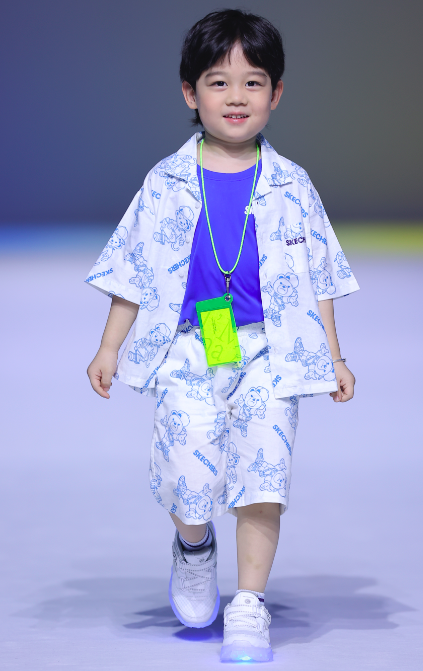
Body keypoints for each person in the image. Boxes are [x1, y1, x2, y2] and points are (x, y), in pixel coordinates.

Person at [86, 9, 359, 663]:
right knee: (188, 471)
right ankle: (194, 544)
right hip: (190, 344)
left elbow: (318, 275)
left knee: (264, 474)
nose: (236, 96)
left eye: (253, 81)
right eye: (218, 81)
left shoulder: (293, 184)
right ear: (190, 92)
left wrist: (335, 354)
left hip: (271, 347)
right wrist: (109, 345)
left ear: (276, 93)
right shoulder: (165, 182)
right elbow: (135, 269)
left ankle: (250, 602)